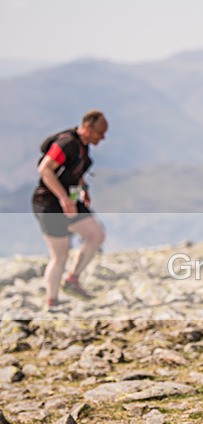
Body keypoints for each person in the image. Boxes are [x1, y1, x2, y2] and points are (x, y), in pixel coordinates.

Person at [32, 110, 108, 309]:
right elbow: (45, 169)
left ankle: (72, 280)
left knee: (96, 235)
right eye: (100, 132)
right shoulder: (66, 143)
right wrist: (63, 198)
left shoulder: (83, 147)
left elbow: (73, 172)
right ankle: (52, 301)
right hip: (50, 203)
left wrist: (82, 190)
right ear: (87, 127)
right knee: (60, 254)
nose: (103, 137)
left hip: (71, 200)